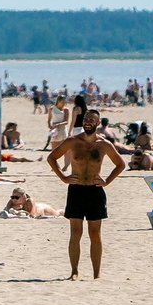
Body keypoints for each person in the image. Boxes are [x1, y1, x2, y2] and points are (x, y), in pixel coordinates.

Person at [47, 109, 125, 280]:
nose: (88, 122)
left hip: (95, 191)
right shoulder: (73, 142)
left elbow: (120, 164)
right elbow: (52, 158)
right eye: (86, 119)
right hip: (76, 190)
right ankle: (74, 272)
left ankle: (97, 274)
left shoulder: (104, 144)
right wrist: (64, 177)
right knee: (75, 232)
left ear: (98, 123)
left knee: (95, 234)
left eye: (92, 120)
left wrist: (107, 181)